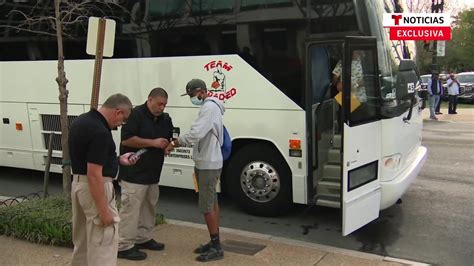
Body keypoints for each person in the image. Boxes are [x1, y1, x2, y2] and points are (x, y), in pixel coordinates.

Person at [69, 94, 137, 266]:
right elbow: (94, 174)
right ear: (119, 112)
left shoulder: (81, 121)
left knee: (82, 242)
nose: (121, 124)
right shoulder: (100, 132)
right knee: (104, 243)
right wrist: (104, 211)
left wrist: (118, 159)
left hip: (78, 185)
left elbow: (88, 159)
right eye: (124, 120)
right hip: (96, 186)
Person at [165, 79, 225, 262]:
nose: (192, 98)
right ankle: (214, 240)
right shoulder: (209, 106)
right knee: (212, 201)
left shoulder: (209, 108)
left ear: (201, 91)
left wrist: (174, 143)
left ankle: (216, 247)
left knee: (207, 206)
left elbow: (196, 133)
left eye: (192, 94)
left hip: (208, 163)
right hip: (206, 161)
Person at [117, 88, 173, 261]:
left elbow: (168, 138)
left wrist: (167, 146)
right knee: (130, 209)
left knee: (149, 206)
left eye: (164, 104)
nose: (162, 108)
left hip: (153, 173)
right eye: (159, 104)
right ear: (149, 100)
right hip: (134, 173)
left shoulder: (165, 119)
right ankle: (123, 245)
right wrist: (153, 143)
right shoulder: (135, 115)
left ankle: (144, 238)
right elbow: (126, 139)